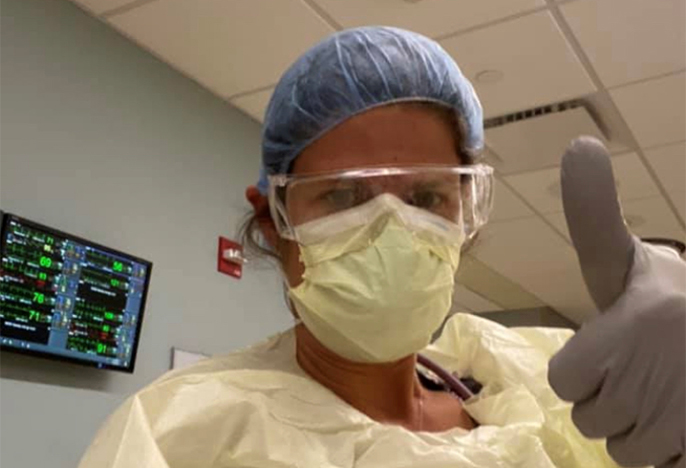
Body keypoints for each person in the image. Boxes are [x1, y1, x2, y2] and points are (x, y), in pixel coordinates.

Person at [79, 26, 684, 468]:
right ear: (274, 225)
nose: (392, 232)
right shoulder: (179, 437)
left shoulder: (534, 385)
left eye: (426, 199)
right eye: (342, 199)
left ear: (464, 216)